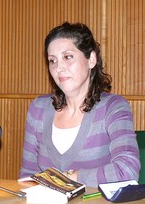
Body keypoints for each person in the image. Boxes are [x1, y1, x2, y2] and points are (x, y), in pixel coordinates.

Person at [19, 22, 140, 187]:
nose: (59, 68)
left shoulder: (114, 107)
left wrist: (67, 178)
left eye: (67, 57)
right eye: (52, 61)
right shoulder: (38, 109)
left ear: (91, 60)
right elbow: (28, 177)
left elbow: (127, 170)